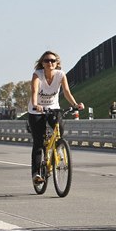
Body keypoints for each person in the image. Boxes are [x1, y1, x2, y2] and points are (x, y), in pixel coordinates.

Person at [28, 51, 84, 184]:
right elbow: (34, 91)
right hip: (37, 110)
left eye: (53, 60)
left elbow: (66, 92)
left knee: (60, 133)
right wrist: (36, 105)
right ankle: (36, 174)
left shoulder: (61, 75)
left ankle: (56, 153)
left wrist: (75, 105)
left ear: (57, 63)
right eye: (47, 61)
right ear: (42, 63)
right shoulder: (38, 75)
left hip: (53, 108)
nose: (50, 63)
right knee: (38, 142)